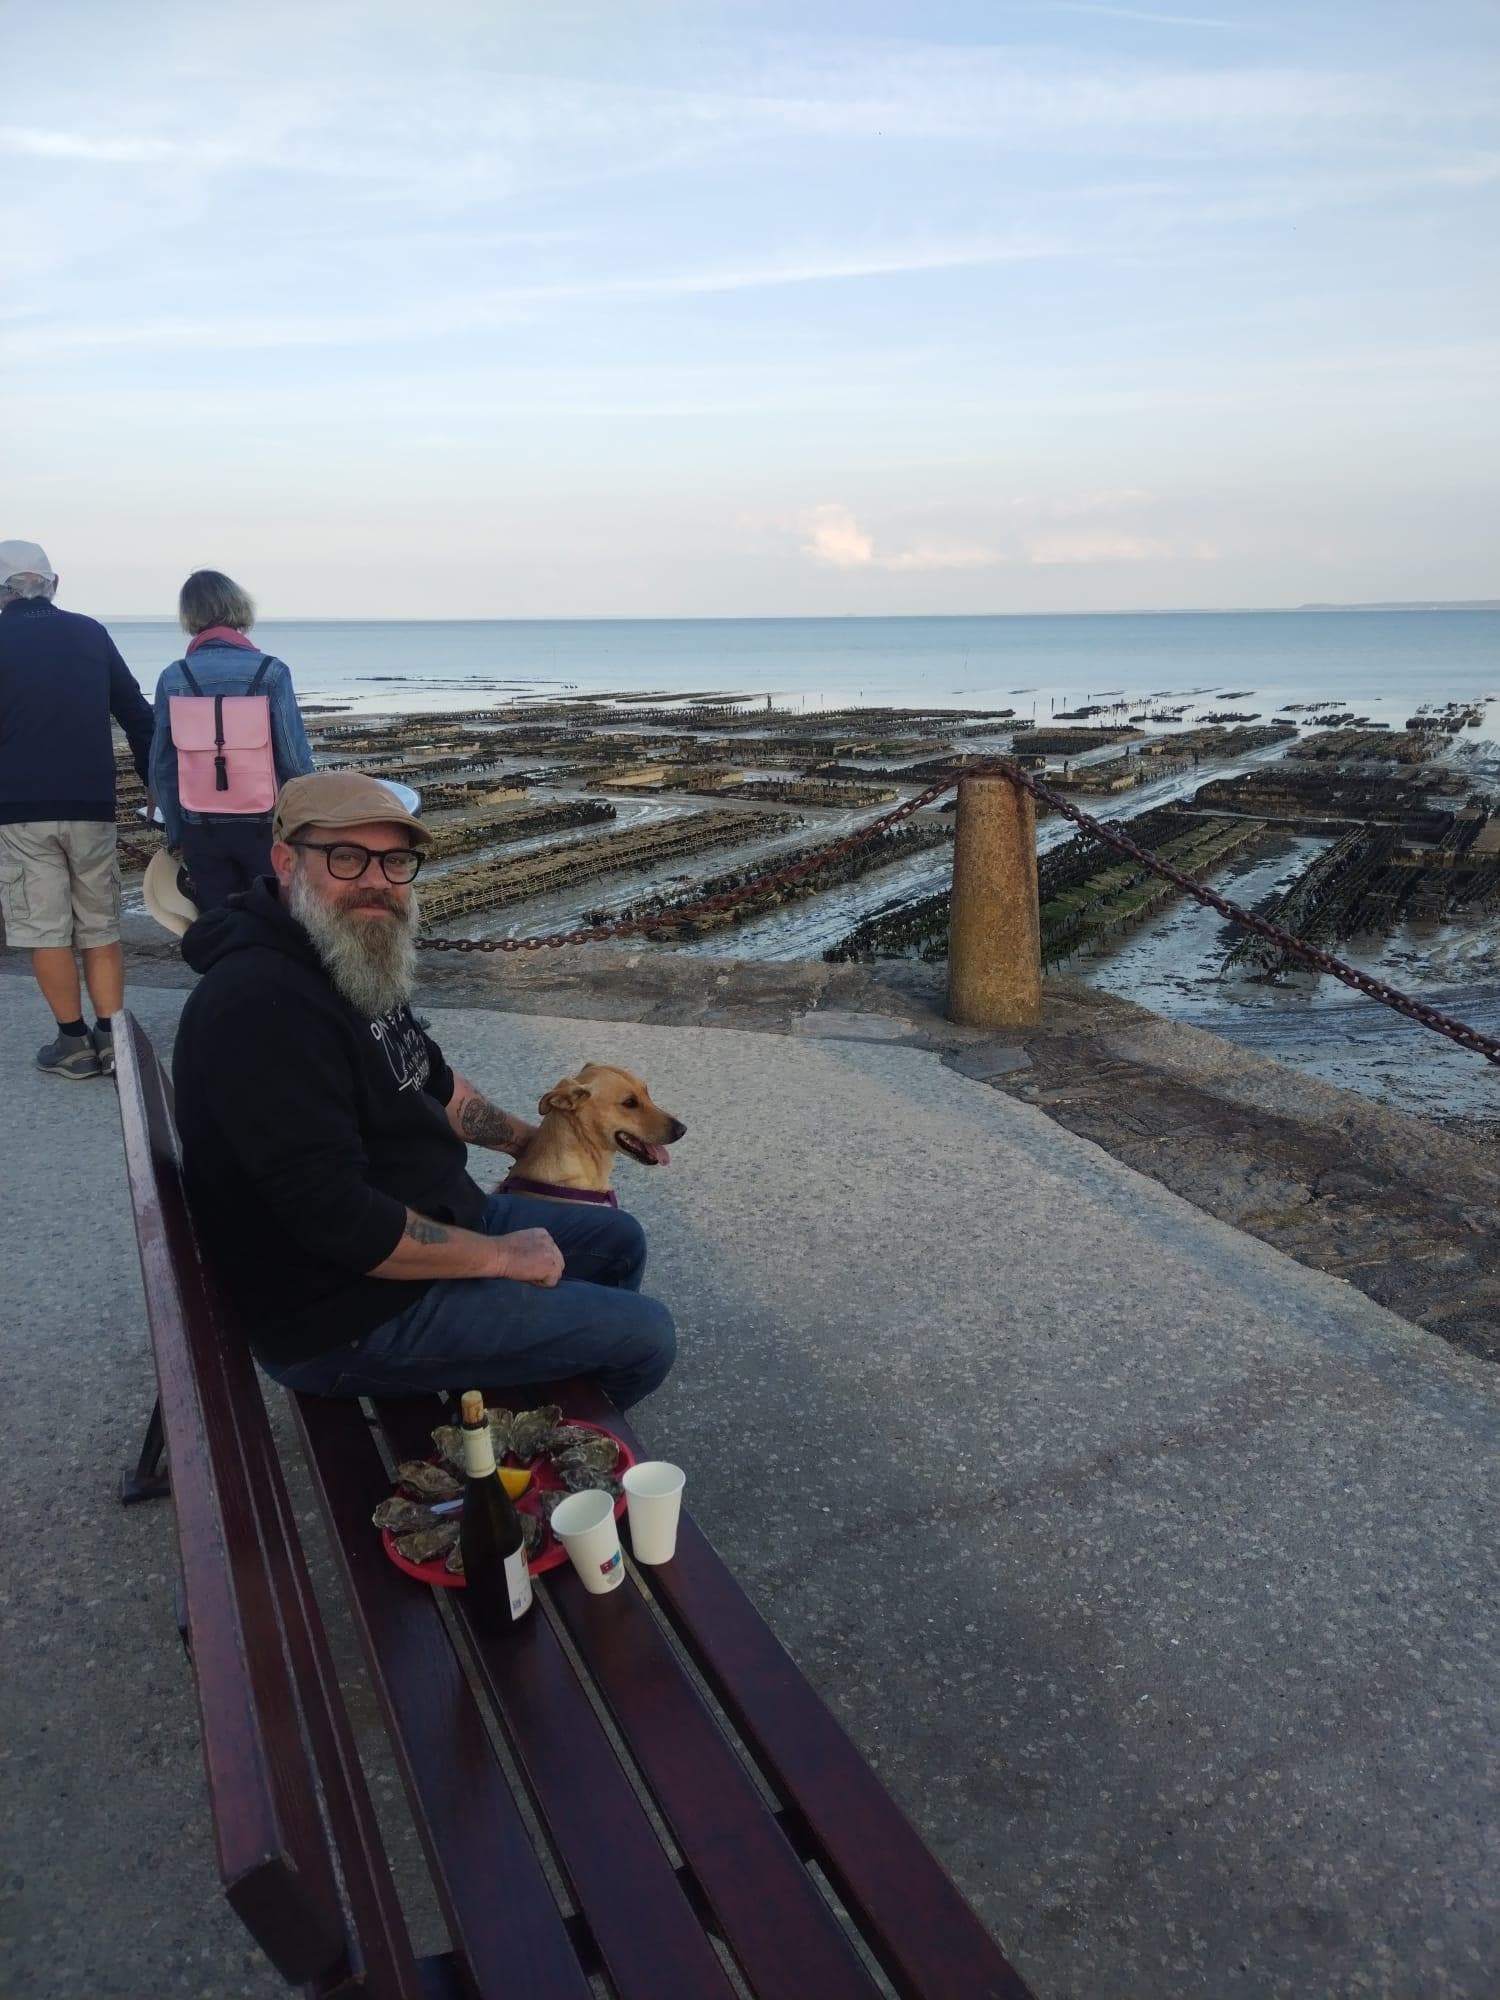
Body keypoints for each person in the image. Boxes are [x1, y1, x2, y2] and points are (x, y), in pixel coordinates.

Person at [172, 769, 676, 1410]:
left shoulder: (344, 954)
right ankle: (540, 1445)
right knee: (646, 1335)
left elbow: (433, 1082)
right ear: (286, 862)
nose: (377, 880)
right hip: (351, 1313)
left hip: (426, 1222)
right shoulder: (262, 1009)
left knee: (618, 1240)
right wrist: (499, 1258)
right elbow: (342, 1220)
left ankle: (529, 1406)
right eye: (347, 857)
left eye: (395, 861)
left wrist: (530, 1141)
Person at [0, 538, 154, 1080]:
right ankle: (112, 1038)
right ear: (54, 584)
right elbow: (137, 715)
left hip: (19, 810)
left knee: (45, 928)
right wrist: (154, 784)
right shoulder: (90, 632)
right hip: (92, 804)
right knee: (99, 924)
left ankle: (72, 1043)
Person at [149, 570, 316, 911]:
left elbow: (161, 767)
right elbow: (294, 761)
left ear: (189, 614)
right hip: (263, 824)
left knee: (219, 924)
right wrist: (311, 822)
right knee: (275, 921)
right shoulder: (271, 672)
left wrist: (177, 834)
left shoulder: (173, 677)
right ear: (239, 606)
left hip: (201, 825)